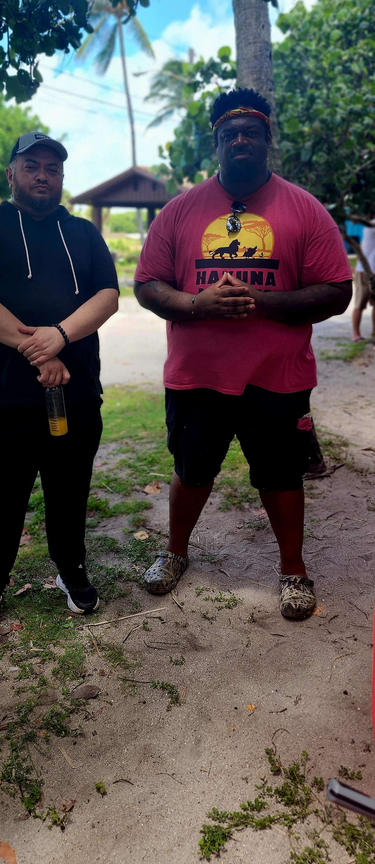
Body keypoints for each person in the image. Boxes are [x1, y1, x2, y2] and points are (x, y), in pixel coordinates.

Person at [134, 89, 352, 620]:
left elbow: (337, 290)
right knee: (191, 469)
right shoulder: (180, 211)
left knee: (282, 476)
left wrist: (265, 301)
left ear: (266, 140)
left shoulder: (304, 208)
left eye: (250, 132)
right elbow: (146, 284)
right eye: (229, 133)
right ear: (216, 142)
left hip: (276, 377)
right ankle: (175, 553)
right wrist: (197, 303)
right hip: (197, 376)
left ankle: (294, 570)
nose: (239, 140)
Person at [0, 132, 119, 637]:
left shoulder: (84, 233)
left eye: (53, 168)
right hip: (2, 397)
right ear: (11, 173)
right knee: (0, 499)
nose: (43, 175)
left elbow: (107, 295)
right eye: (32, 166)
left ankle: (73, 571)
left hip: (77, 391)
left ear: (62, 178)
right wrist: (37, 349)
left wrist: (61, 336)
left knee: (70, 490)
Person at [352, 223, 375, 342]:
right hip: (364, 271)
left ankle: (374, 333)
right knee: (359, 304)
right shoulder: (371, 224)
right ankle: (356, 334)